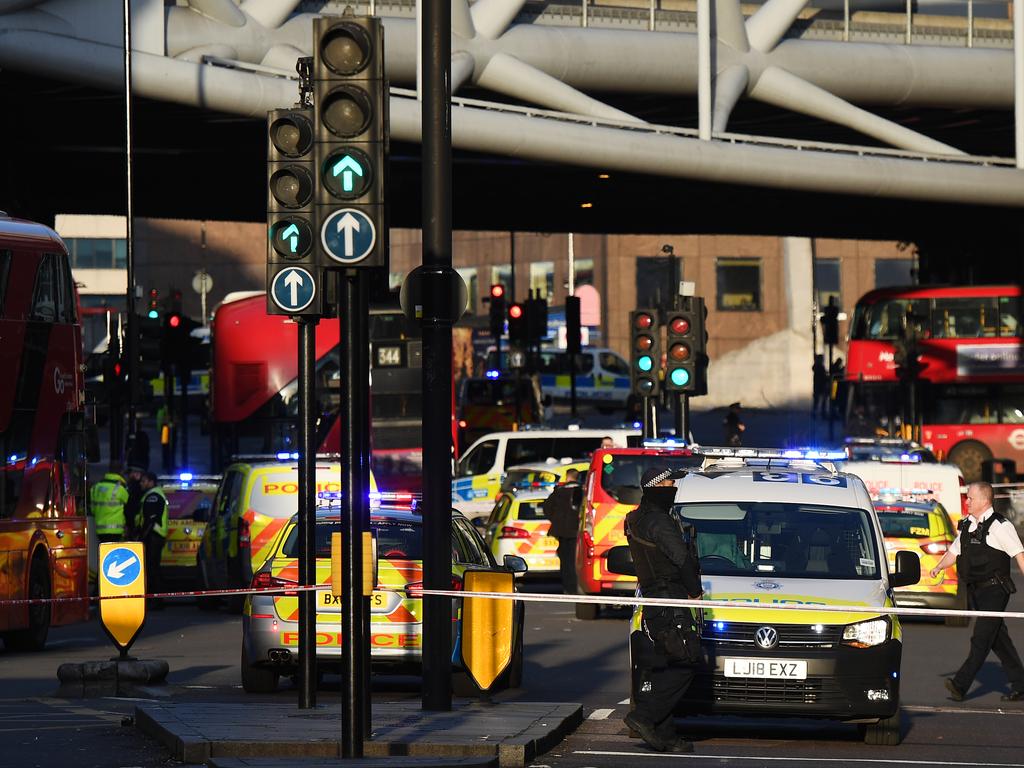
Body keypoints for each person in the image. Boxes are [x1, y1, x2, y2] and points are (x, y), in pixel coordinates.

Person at [623, 467, 702, 754]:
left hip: (654, 601)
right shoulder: (659, 521)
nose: (674, 487)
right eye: (670, 482)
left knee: (668, 662)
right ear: (656, 486)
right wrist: (695, 592)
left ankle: (666, 734)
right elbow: (680, 559)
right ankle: (644, 716)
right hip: (671, 600)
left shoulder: (635, 518)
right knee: (687, 661)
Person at [931, 481, 1024, 702]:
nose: (967, 501)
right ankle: (1021, 684)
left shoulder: (1001, 526)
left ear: (984, 500)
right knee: (998, 639)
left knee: (981, 639)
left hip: (995, 591)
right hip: (977, 592)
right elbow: (954, 552)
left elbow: (1020, 556)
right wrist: (937, 567)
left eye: (971, 498)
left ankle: (959, 685)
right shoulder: (967, 525)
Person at [541, 468, 582, 594]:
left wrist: (556, 520)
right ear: (577, 478)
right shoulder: (581, 492)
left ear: (567, 477)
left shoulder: (558, 492)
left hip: (561, 532)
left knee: (565, 560)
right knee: (574, 560)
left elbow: (547, 508)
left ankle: (567, 587)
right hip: (576, 531)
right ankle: (575, 586)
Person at [134, 471, 169, 609]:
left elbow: (150, 519)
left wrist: (142, 535)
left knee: (151, 568)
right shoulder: (156, 494)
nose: (141, 484)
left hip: (153, 535)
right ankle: (157, 599)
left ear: (151, 482)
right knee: (153, 567)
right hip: (156, 535)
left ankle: (156, 600)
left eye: (144, 481)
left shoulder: (153, 496)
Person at [89, 464, 129, 544]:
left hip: (100, 530)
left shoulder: (96, 487)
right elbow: (128, 508)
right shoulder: (121, 489)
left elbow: (93, 510)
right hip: (116, 530)